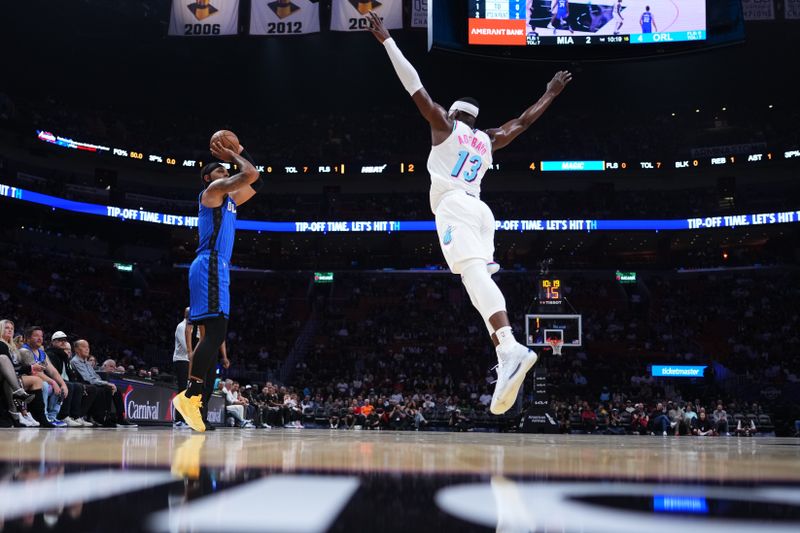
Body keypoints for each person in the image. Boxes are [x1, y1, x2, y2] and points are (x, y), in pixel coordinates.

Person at [366, 11, 572, 415]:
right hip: (481, 211)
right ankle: (504, 356)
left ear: (454, 114)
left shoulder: (445, 126)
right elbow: (524, 122)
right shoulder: (488, 139)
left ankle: (511, 346)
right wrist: (551, 92)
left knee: (474, 278)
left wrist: (387, 41)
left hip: (455, 206)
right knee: (477, 288)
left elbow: (415, 86)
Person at [173, 137, 262, 432]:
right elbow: (249, 174)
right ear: (208, 178)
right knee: (216, 331)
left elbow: (257, 181)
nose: (226, 174)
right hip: (209, 263)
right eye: (221, 171)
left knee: (212, 338)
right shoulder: (211, 192)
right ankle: (189, 396)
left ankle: (195, 404)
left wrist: (239, 152)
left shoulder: (231, 201)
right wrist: (234, 156)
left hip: (218, 267)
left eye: (226, 172)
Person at [70, 339, 137, 427]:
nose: (87, 349)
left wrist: (104, 383)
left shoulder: (86, 362)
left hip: (92, 384)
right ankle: (104, 418)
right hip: (84, 384)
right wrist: (106, 383)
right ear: (76, 349)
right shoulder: (75, 361)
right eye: (84, 347)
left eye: (88, 347)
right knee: (106, 388)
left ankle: (121, 418)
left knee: (117, 391)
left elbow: (95, 376)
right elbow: (87, 379)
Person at [19, 326, 69, 427]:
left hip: (38, 382)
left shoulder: (42, 353)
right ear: (28, 338)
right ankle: (43, 416)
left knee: (61, 387)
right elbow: (35, 373)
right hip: (27, 383)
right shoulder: (25, 351)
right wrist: (53, 382)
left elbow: (52, 371)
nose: (40, 338)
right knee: (45, 385)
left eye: (41, 336)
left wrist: (62, 384)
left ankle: (52, 416)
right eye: (36, 336)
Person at [172, 307, 193, 428]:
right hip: (181, 361)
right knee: (182, 390)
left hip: (187, 361)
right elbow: (186, 347)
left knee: (187, 391)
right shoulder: (181, 327)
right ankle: (178, 420)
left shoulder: (190, 327)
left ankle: (184, 419)